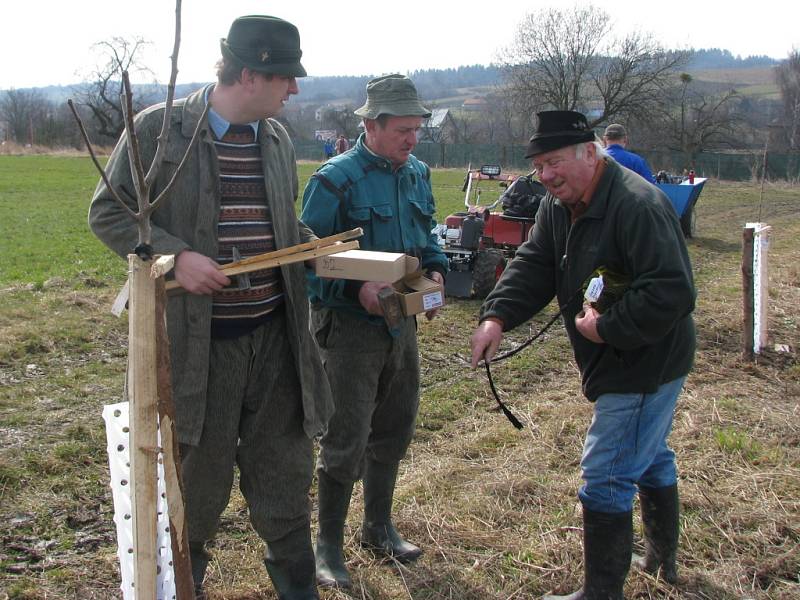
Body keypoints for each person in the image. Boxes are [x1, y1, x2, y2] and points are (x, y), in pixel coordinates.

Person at [89, 15, 333, 600]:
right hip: (197, 351)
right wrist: (175, 258)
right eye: (284, 78)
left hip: (277, 343)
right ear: (248, 73)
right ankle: (180, 586)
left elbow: (276, 223)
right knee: (191, 488)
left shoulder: (274, 140)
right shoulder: (159, 130)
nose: (293, 90)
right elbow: (109, 214)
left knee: (285, 473)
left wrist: (316, 249)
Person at [470, 110, 696, 599]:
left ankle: (601, 593)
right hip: (618, 356)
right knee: (650, 454)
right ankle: (662, 560)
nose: (546, 176)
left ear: (590, 153)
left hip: (643, 361)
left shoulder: (639, 206)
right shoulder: (558, 205)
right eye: (539, 166)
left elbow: (673, 292)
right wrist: (496, 316)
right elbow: (535, 263)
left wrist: (607, 326)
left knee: (606, 473)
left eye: (555, 162)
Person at [300, 74, 449, 589]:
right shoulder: (334, 180)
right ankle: (328, 549)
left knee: (395, 426)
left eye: (416, 130)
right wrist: (353, 291)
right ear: (371, 125)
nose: (412, 139)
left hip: (400, 325)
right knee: (345, 437)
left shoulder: (418, 173)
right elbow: (307, 260)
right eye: (402, 130)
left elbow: (427, 236)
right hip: (348, 331)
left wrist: (434, 275)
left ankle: (378, 528)